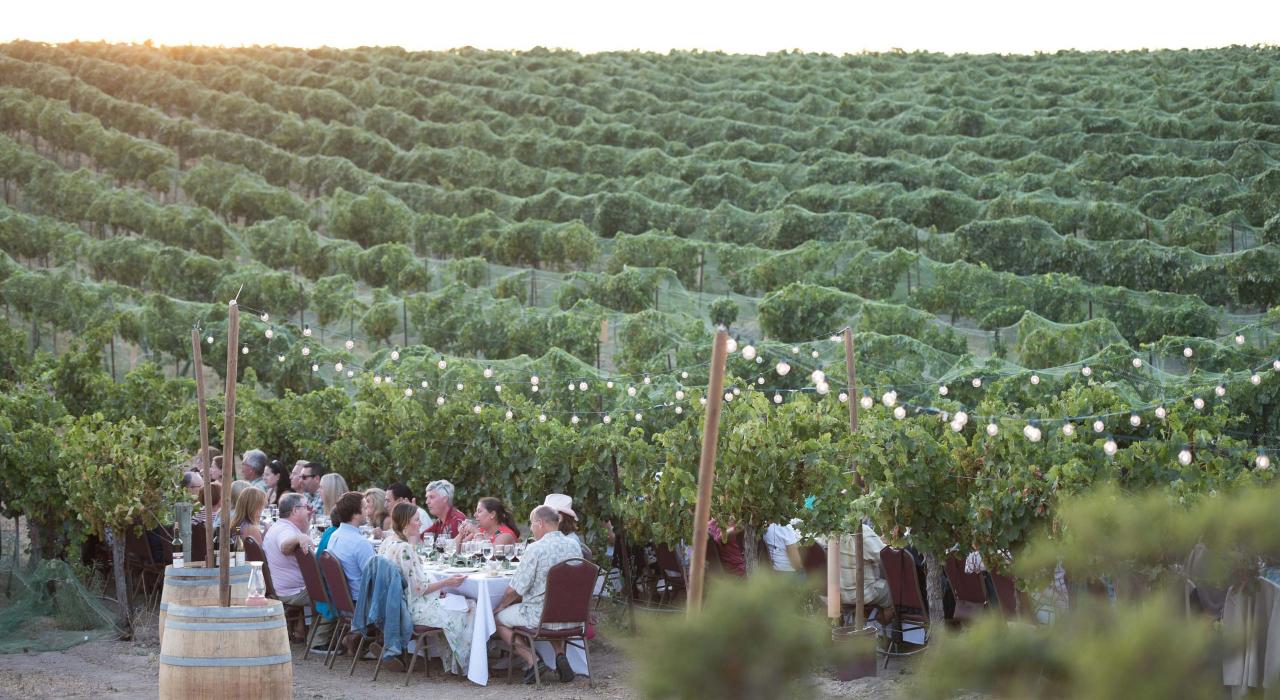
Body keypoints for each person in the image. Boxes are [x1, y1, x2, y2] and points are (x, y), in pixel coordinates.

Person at [379, 502, 473, 674]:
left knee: (456, 601)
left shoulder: (388, 542)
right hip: (413, 608)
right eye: (417, 520)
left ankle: (453, 663)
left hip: (397, 604)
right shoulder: (405, 548)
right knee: (470, 607)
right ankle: (465, 666)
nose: (421, 523)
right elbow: (419, 589)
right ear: (406, 522)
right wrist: (448, 582)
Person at [494, 506, 584, 684]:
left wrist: (500, 606)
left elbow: (515, 590)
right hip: (573, 615)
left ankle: (532, 660)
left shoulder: (536, 548)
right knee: (552, 604)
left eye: (532, 523)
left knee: (497, 618)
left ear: (540, 523)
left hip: (540, 616)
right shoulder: (575, 545)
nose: (532, 528)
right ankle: (560, 655)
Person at [319, 492, 376, 656]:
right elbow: (374, 577)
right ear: (355, 514)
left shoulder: (334, 536)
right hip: (360, 602)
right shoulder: (360, 543)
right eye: (365, 508)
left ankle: (359, 636)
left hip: (342, 600)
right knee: (399, 592)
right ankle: (387, 648)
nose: (368, 511)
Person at [263, 492, 315, 640]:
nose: (310, 510)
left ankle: (301, 631)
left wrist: (303, 529)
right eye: (306, 507)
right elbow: (285, 546)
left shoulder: (279, 526)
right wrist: (300, 537)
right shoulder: (285, 531)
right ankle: (318, 639)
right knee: (335, 589)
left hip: (281, 587)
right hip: (293, 592)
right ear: (294, 510)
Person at [838, 524, 892, 614]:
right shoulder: (862, 530)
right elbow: (885, 557)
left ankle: (863, 619)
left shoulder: (830, 531)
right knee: (895, 590)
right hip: (861, 593)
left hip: (838, 594)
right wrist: (887, 543)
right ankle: (887, 621)